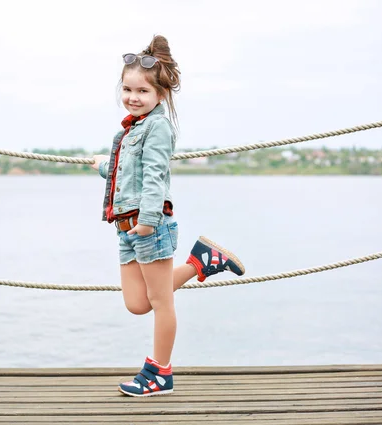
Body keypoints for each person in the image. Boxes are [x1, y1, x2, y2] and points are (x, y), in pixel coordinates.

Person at [91, 35, 246, 397]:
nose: (133, 96)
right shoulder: (132, 128)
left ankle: (160, 373)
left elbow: (154, 176)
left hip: (149, 227)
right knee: (136, 303)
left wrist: (146, 222)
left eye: (142, 91)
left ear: (161, 93)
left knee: (161, 302)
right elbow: (129, 173)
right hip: (126, 228)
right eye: (128, 89)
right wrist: (103, 167)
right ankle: (201, 261)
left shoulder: (158, 126)